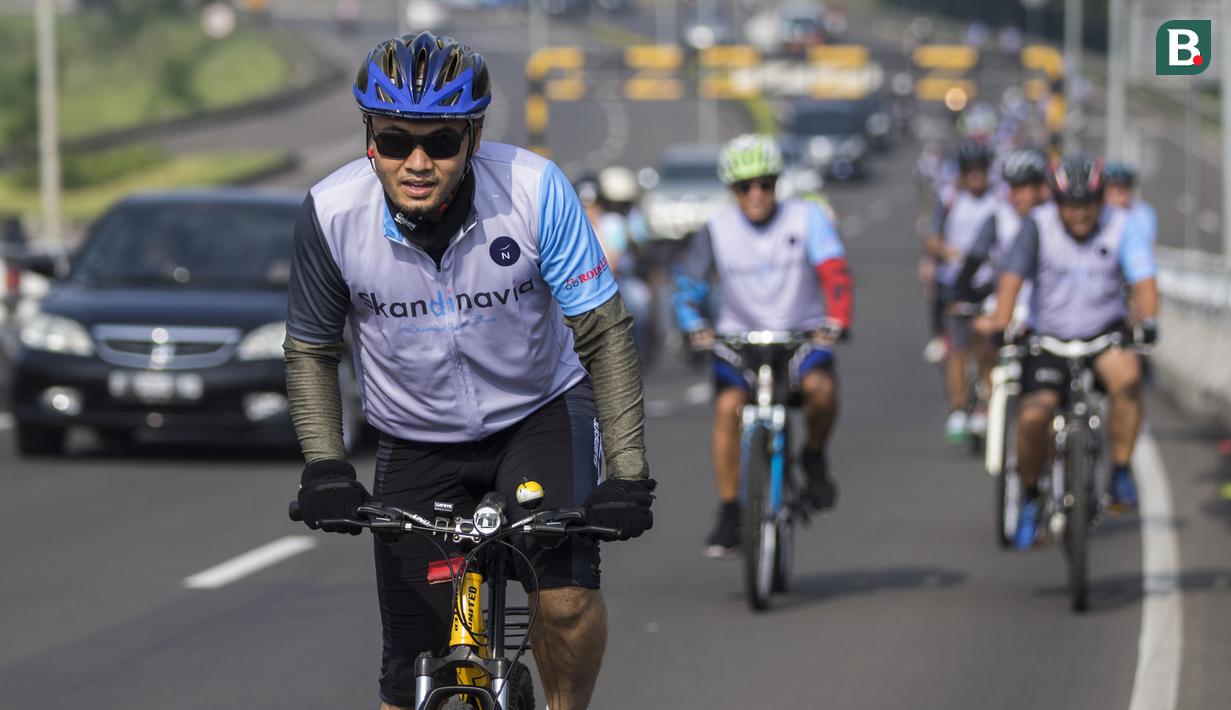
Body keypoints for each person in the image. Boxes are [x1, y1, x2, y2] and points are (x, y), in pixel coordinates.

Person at [283, 32, 655, 710]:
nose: (417, 162)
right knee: (405, 672)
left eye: (441, 142)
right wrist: (325, 466)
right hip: (416, 436)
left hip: (537, 412)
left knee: (566, 600)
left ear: (474, 138)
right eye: (396, 141)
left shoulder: (535, 190)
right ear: (369, 137)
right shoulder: (332, 215)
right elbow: (310, 348)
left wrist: (627, 475)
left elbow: (603, 333)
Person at [673, 134, 853, 558]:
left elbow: (836, 273)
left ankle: (813, 457)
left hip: (801, 337)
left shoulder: (807, 217)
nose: (756, 194)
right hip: (741, 340)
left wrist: (838, 320)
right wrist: (693, 324)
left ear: (777, 183)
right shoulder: (715, 229)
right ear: (731, 189)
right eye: (744, 186)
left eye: (766, 184)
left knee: (822, 392)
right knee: (726, 407)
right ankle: (731, 510)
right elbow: (687, 287)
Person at [976, 155, 1158, 550]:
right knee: (1033, 416)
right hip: (1049, 338)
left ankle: (1121, 471)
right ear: (1057, 203)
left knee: (1128, 378)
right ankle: (1029, 494)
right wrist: (1002, 324)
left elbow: (1144, 281)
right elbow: (1011, 279)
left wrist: (1148, 319)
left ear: (1100, 201)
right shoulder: (1037, 227)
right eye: (1070, 205)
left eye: (1087, 205)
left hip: (1101, 334)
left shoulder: (1120, 226)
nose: (1079, 214)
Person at [948, 148, 1049, 434]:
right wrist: (958, 292)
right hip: (1007, 302)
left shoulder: (1054, 219)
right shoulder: (999, 218)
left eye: (1027, 187)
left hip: (1043, 308)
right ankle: (986, 393)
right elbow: (974, 257)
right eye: (1014, 188)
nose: (1020, 196)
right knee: (981, 331)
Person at [923, 139, 999, 444]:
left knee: (985, 347)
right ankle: (957, 409)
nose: (975, 177)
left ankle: (984, 404)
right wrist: (948, 253)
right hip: (956, 285)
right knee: (956, 349)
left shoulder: (999, 202)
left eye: (980, 171)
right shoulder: (950, 199)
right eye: (970, 171)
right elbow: (932, 237)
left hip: (987, 285)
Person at [1104, 161, 1157, 245]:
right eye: (1112, 193)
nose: (1120, 199)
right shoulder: (1099, 213)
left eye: (1123, 192)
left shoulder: (1144, 213)